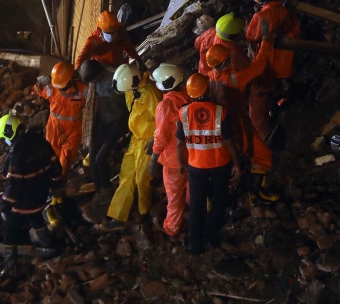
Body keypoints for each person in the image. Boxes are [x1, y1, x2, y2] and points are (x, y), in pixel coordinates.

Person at [205, 19, 279, 204]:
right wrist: (266, 42)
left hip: (220, 126)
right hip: (236, 123)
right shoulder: (232, 79)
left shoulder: (208, 77)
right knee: (262, 155)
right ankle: (256, 195)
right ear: (224, 63)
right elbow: (258, 66)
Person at [177, 74, 240, 255]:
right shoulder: (220, 111)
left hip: (196, 165)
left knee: (197, 205)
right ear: (207, 89)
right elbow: (229, 141)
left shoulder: (183, 112)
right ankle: (212, 238)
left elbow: (180, 143)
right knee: (218, 200)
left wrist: (181, 162)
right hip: (220, 164)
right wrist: (237, 164)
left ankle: (195, 245)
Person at [0, 114, 63, 276]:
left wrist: (5, 205)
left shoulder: (15, 156)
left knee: (9, 229)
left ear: (9, 134)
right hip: (41, 195)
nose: (4, 142)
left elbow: (14, 186)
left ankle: (11, 265)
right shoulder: (40, 141)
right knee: (36, 218)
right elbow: (56, 167)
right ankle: (49, 246)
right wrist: (56, 186)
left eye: (3, 138)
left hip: (24, 203)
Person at [100, 64, 161, 231]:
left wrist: (155, 140)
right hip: (136, 139)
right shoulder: (131, 90)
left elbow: (162, 120)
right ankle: (118, 215)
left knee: (142, 179)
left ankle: (144, 212)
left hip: (149, 140)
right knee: (126, 175)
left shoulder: (150, 93)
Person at [246, 0, 300, 140]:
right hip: (288, 67)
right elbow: (297, 34)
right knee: (283, 98)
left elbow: (251, 37)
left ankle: (265, 138)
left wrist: (256, 16)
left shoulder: (261, 16)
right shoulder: (289, 12)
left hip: (268, 69)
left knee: (257, 108)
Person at [148, 63, 192, 237]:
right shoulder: (190, 96)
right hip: (193, 154)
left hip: (173, 160)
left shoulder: (165, 105)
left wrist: (153, 160)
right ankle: (195, 213)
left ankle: (171, 228)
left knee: (173, 197)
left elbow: (161, 137)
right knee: (192, 189)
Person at [80, 59, 129, 204]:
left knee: (101, 157)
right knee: (92, 157)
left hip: (117, 121)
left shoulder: (114, 78)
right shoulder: (94, 82)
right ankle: (98, 190)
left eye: (93, 79)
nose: (92, 82)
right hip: (102, 119)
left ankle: (107, 190)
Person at [34, 62, 88, 183]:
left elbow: (93, 98)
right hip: (54, 129)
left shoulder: (83, 90)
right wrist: (39, 83)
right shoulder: (51, 88)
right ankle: (46, 184)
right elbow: (38, 90)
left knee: (65, 163)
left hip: (72, 132)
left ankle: (60, 189)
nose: (60, 88)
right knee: (49, 159)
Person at [75, 11, 146, 70]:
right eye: (108, 33)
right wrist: (77, 70)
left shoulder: (121, 32)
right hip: (104, 71)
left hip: (120, 66)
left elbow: (128, 47)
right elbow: (82, 57)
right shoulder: (93, 41)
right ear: (101, 29)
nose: (111, 35)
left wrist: (137, 59)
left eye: (113, 32)